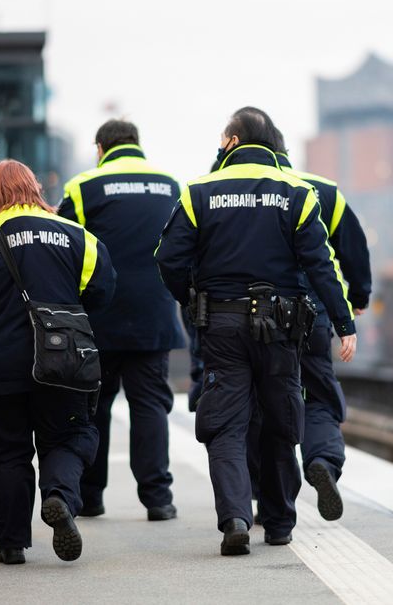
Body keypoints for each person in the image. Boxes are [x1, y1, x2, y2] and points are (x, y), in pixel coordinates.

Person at [154, 107, 357, 556]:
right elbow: (320, 266)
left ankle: (235, 520)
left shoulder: (199, 192)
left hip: (222, 324)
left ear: (232, 140)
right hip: (283, 327)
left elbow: (167, 258)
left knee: (226, 423)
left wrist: (191, 297)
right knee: (282, 420)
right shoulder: (297, 193)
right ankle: (280, 523)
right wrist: (344, 324)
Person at [0, 160, 115, 565]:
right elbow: (103, 291)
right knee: (68, 438)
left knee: (7, 453)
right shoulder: (77, 236)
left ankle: (12, 543)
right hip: (62, 364)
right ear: (36, 190)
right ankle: (59, 496)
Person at [57, 119, 184, 522]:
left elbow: (64, 245)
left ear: (100, 148)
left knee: (94, 408)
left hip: (99, 319)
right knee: (150, 406)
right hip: (155, 315)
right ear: (137, 144)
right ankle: (158, 499)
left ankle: (91, 497)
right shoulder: (170, 185)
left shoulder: (84, 186)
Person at [270, 143, 371, 522]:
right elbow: (354, 250)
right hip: (315, 316)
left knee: (268, 403)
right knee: (320, 398)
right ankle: (323, 461)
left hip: (263, 318)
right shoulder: (325, 191)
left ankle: (271, 499)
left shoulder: (249, 191)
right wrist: (357, 297)